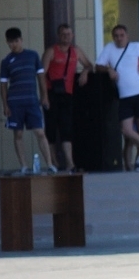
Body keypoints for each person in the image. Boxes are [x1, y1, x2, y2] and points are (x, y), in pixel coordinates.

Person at [95, 24, 139, 172]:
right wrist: (108, 69)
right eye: (116, 36)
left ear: (127, 36)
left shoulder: (136, 47)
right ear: (113, 37)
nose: (119, 38)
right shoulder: (109, 48)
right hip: (125, 95)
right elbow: (98, 66)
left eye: (122, 35)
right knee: (126, 129)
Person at [0, 27, 55, 174]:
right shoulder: (6, 61)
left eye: (16, 41)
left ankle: (50, 164)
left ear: (21, 40)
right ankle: (24, 166)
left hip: (32, 101)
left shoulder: (33, 56)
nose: (14, 44)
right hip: (15, 103)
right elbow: (3, 85)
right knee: (18, 134)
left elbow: (41, 77)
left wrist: (44, 96)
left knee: (40, 132)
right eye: (10, 42)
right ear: (7, 42)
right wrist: (5, 105)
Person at [41, 23, 94, 173]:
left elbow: (89, 65)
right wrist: (44, 96)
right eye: (63, 34)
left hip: (67, 94)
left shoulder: (75, 51)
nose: (66, 37)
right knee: (51, 128)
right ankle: (53, 162)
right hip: (51, 93)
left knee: (66, 129)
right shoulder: (51, 51)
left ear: (73, 35)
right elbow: (41, 74)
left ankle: (70, 163)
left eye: (69, 34)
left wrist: (85, 73)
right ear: (59, 35)